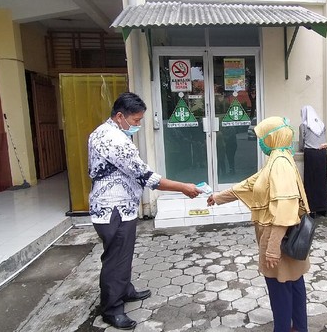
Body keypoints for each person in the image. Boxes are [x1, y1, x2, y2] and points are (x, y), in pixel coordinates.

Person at [88, 92, 202, 330]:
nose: (138, 125)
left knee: (122, 253)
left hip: (118, 207)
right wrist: (183, 187)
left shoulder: (102, 131)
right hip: (113, 208)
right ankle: (112, 308)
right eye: (136, 120)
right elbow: (146, 176)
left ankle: (125, 290)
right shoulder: (114, 140)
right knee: (116, 257)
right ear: (120, 116)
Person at [207, 116, 310, 332]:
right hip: (288, 237)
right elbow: (250, 184)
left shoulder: (279, 163)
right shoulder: (279, 158)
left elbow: (284, 207)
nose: (260, 142)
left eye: (263, 137)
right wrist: (219, 197)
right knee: (294, 282)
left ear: (272, 137)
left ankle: (283, 329)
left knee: (280, 290)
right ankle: (299, 328)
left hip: (278, 238)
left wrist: (272, 250)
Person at [298, 105, 327, 217]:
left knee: (311, 182)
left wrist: (302, 148)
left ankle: (312, 209)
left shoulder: (304, 126)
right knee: (322, 181)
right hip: (322, 154)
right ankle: (324, 208)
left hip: (310, 154)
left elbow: (302, 142)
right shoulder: (321, 124)